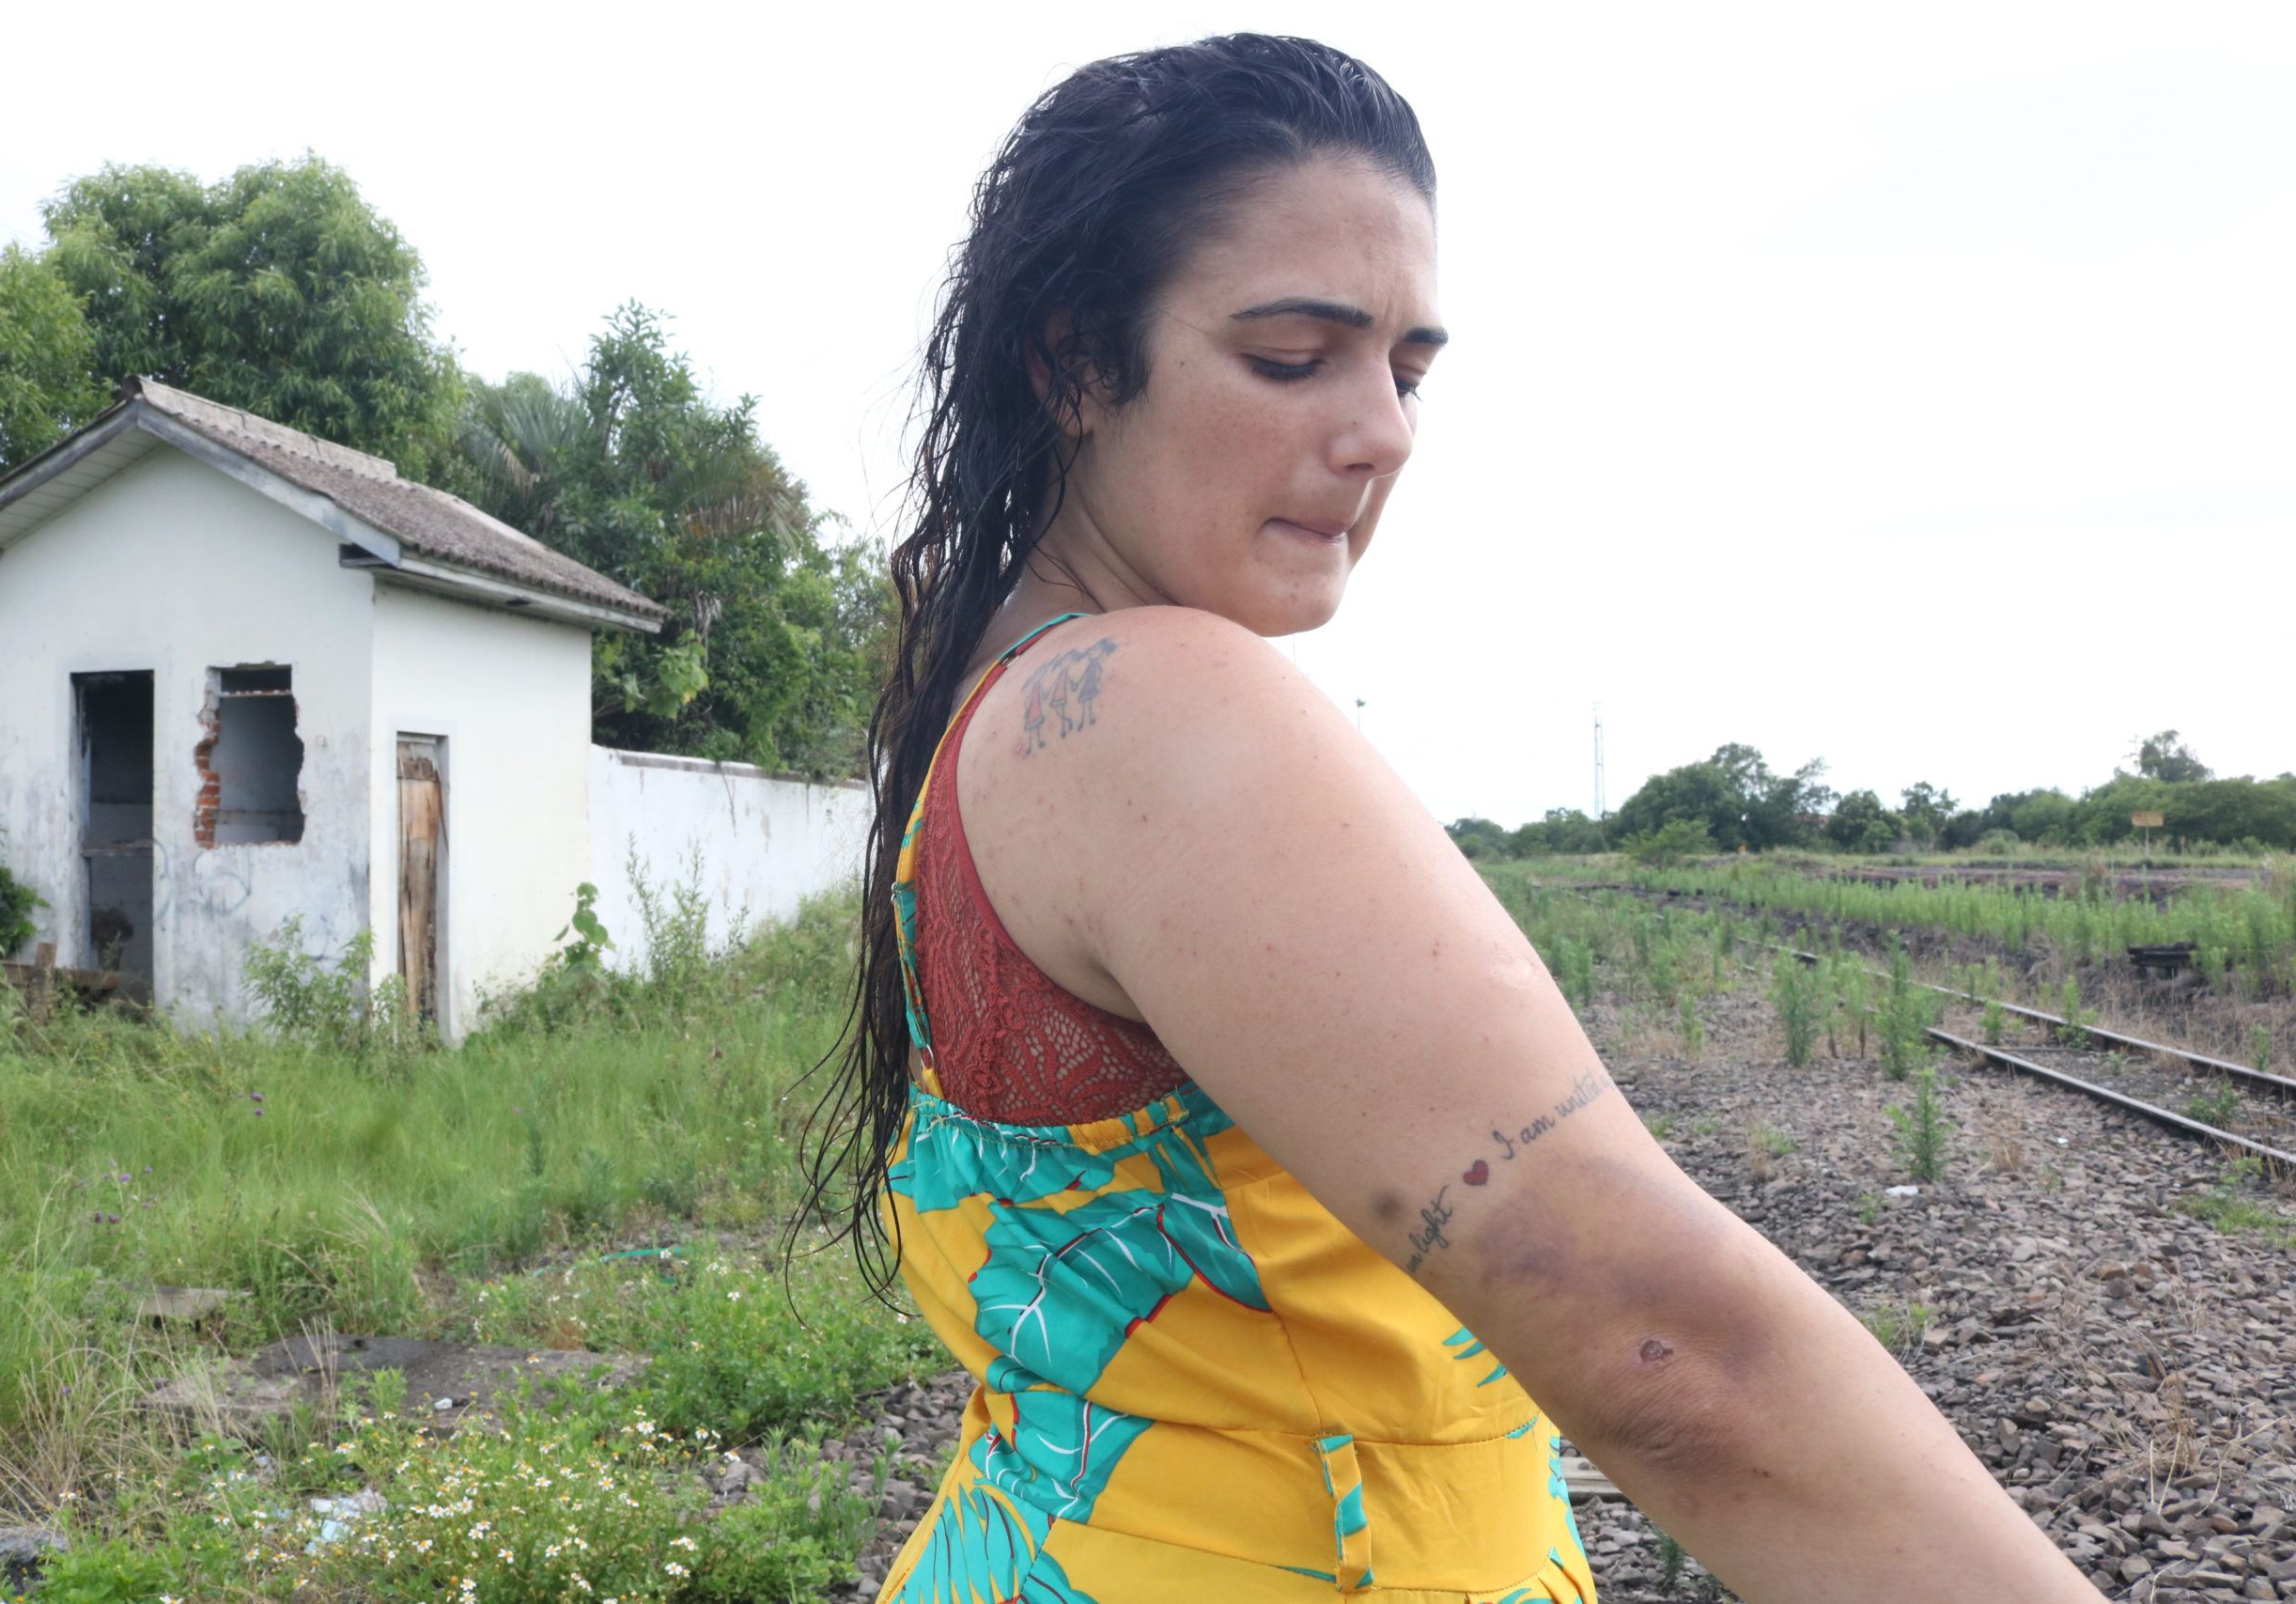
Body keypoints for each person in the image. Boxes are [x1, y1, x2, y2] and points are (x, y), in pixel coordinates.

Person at [803, 34, 2105, 1604]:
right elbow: (1666, 1350)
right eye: (1295, 357)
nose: (1386, 433)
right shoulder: (1153, 703)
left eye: (1409, 371)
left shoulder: (982, 711)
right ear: (1074, 366)